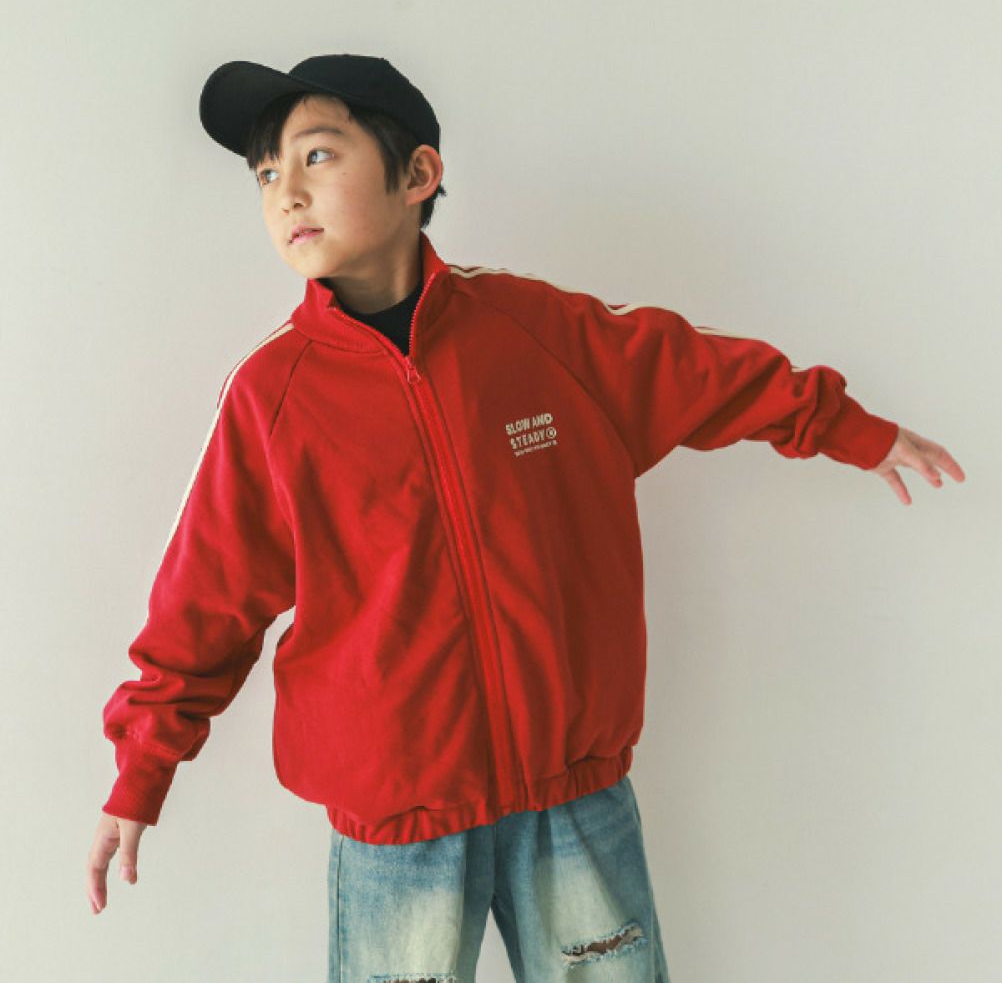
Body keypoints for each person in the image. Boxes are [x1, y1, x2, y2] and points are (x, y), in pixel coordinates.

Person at [85, 54, 965, 980]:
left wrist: (847, 429)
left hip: (573, 800)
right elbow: (204, 602)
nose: (286, 194)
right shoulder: (272, 396)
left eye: (317, 156)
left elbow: (699, 371)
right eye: (266, 174)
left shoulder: (538, 333)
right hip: (399, 829)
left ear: (417, 174)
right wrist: (141, 774)